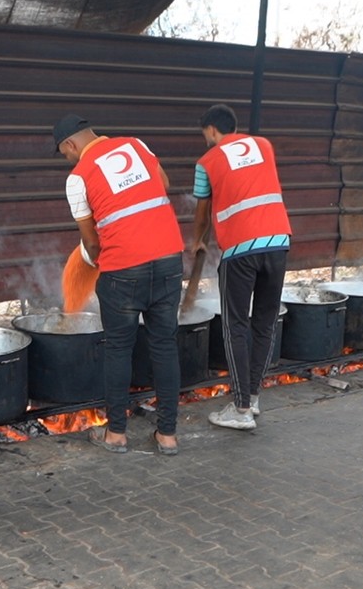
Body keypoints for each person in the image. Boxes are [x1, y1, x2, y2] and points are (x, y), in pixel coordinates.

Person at [53, 114, 185, 455]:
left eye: (64, 153)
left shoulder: (78, 177)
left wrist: (92, 263)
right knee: (165, 346)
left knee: (118, 348)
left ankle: (116, 434)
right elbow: (163, 183)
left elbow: (92, 243)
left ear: (70, 144)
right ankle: (167, 436)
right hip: (169, 259)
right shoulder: (136, 145)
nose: (68, 159)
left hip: (124, 269)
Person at [190, 104, 292, 431]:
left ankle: (240, 408)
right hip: (278, 241)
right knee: (264, 322)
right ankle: (253, 396)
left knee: (235, 325)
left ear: (211, 130)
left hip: (240, 248)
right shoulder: (264, 145)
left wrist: (198, 241)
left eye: (204, 133)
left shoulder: (206, 162)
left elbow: (203, 212)